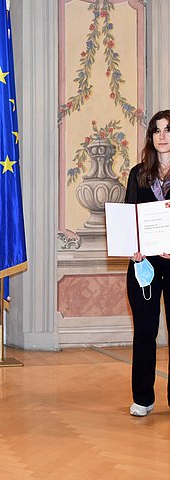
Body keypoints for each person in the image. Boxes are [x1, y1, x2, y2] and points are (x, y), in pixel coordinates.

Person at [125, 109, 170, 417]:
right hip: (145, 265)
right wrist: (132, 247)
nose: (162, 136)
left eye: (168, 130)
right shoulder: (139, 173)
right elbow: (129, 216)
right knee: (144, 332)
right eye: (156, 130)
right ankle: (143, 397)